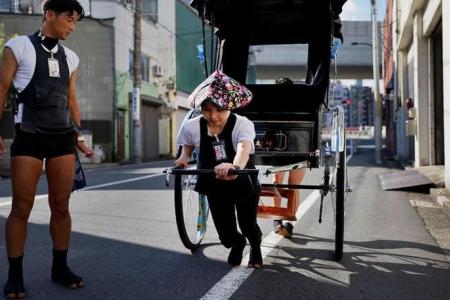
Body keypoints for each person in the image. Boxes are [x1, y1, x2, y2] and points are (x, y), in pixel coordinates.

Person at [0, 0, 92, 298]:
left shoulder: (72, 57)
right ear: (50, 14)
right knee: (21, 207)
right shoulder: (18, 47)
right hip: (28, 135)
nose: (73, 26)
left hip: (62, 138)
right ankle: (15, 275)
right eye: (70, 19)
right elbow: (1, 89)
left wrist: (80, 136)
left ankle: (60, 267)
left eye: (76, 21)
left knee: (61, 206)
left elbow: (71, 99)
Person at [176, 71, 262, 268]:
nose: (213, 116)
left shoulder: (242, 124)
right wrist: (183, 159)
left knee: (248, 225)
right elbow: (187, 145)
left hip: (242, 181)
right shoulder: (192, 126)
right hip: (213, 184)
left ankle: (255, 248)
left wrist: (235, 166)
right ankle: (238, 243)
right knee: (226, 237)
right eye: (206, 110)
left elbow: (244, 148)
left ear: (229, 107)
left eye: (219, 110)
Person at [272, 77, 306, 239]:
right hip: (301, 147)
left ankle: (278, 219)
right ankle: (286, 222)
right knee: (294, 185)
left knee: (278, 182)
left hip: (279, 148)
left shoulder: (272, 105)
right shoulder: (301, 103)